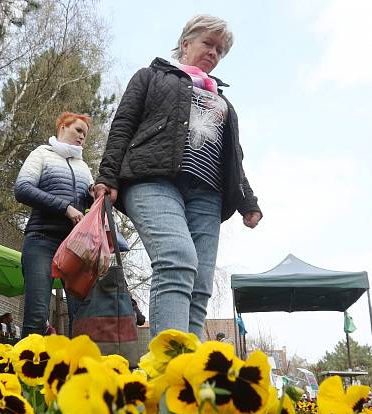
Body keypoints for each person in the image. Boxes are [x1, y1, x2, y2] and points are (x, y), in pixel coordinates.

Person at [93, 15, 262, 339]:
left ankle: (189, 380)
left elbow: (233, 157)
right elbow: (123, 125)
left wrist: (247, 201)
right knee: (176, 259)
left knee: (200, 285)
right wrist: (108, 176)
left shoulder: (222, 100)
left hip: (208, 195)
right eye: (208, 44)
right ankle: (168, 370)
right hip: (152, 180)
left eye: (220, 50)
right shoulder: (151, 77)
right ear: (185, 43)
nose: (214, 53)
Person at [15, 112, 94, 337]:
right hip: (41, 240)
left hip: (75, 247)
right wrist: (65, 207)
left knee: (81, 318)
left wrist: (92, 195)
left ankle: (77, 369)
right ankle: (27, 369)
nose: (82, 137)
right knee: (37, 315)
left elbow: (89, 204)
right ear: (62, 127)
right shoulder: (42, 154)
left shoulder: (83, 166)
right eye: (78, 130)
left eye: (85, 134)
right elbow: (22, 189)